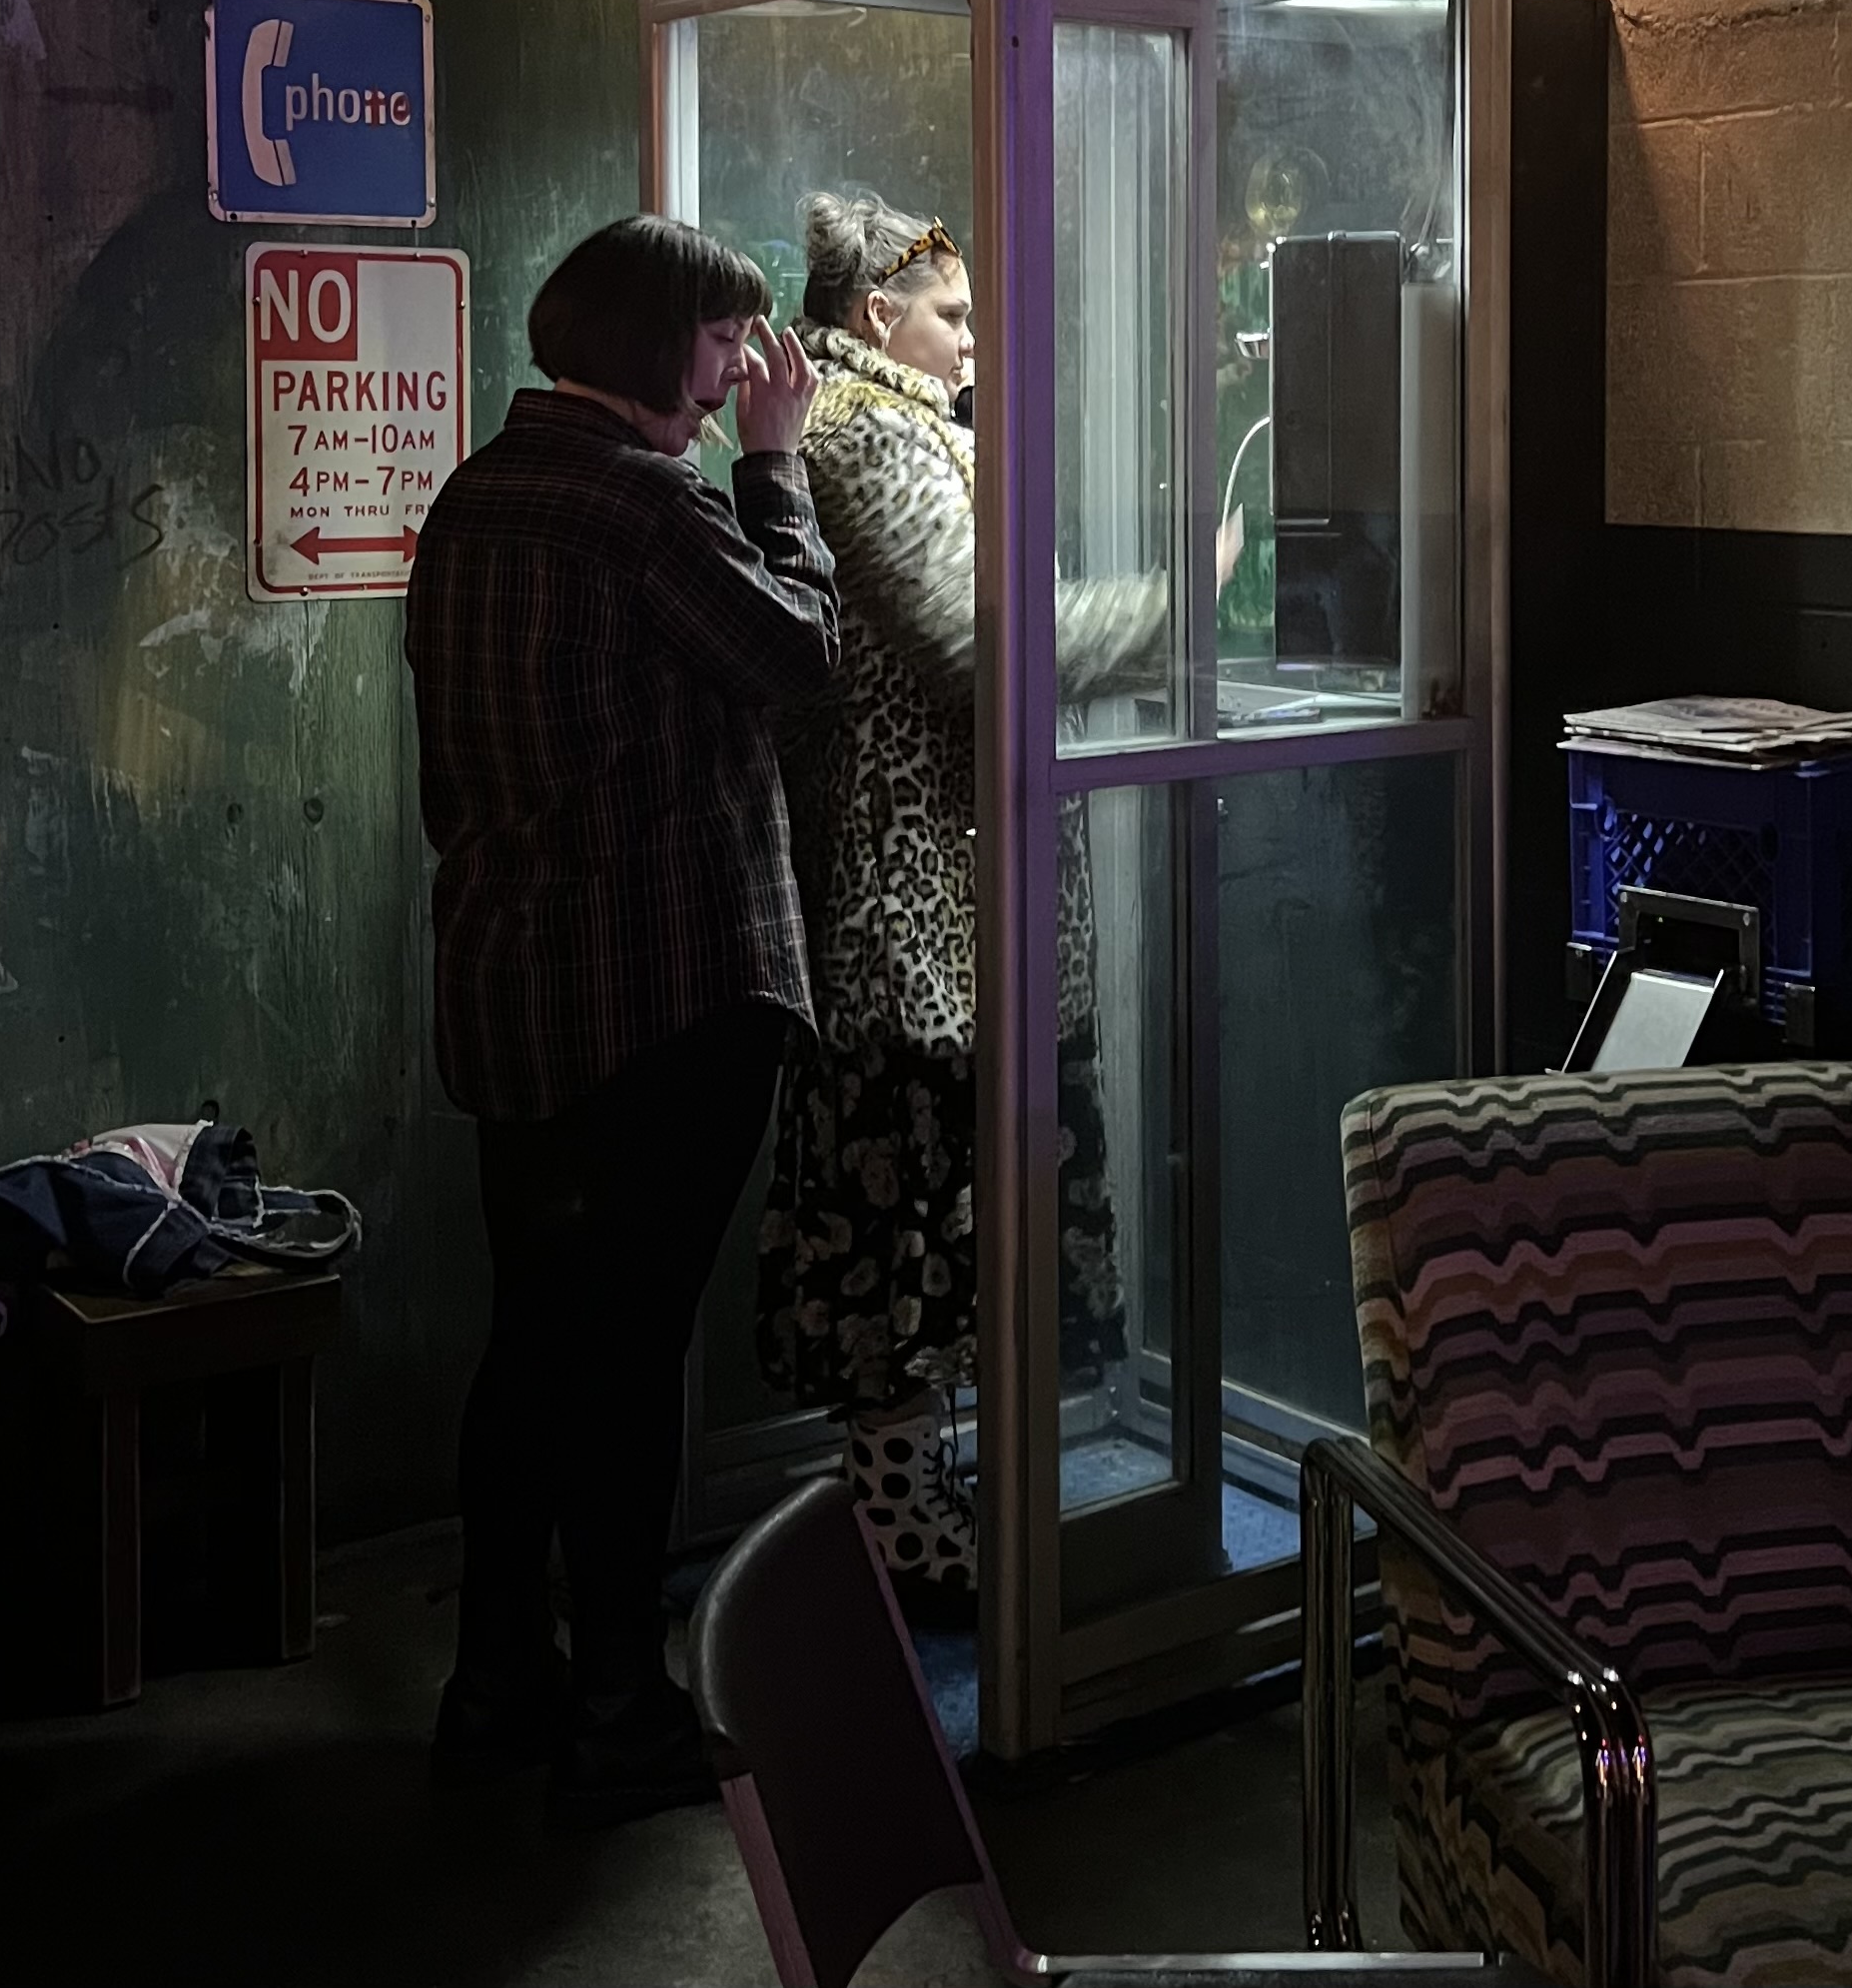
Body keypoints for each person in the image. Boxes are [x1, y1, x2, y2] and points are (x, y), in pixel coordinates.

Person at [753, 189, 1239, 1612]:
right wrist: (1179, 604)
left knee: (951, 1220)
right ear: (870, 318)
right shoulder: (858, 439)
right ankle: (899, 1519)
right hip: (912, 917)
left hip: (960, 907)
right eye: (952, 314)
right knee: (903, 1220)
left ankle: (916, 1500)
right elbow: (979, 636)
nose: (975, 342)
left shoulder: (903, 431)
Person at [406, 214, 833, 1824]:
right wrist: (779, 479)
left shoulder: (476, 493)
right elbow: (799, 654)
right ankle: (620, 1705)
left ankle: (496, 1684)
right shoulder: (650, 504)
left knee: (533, 1346)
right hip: (659, 1001)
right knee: (630, 1354)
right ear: (659, 347)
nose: (740, 380)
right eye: (725, 347)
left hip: (512, 998)